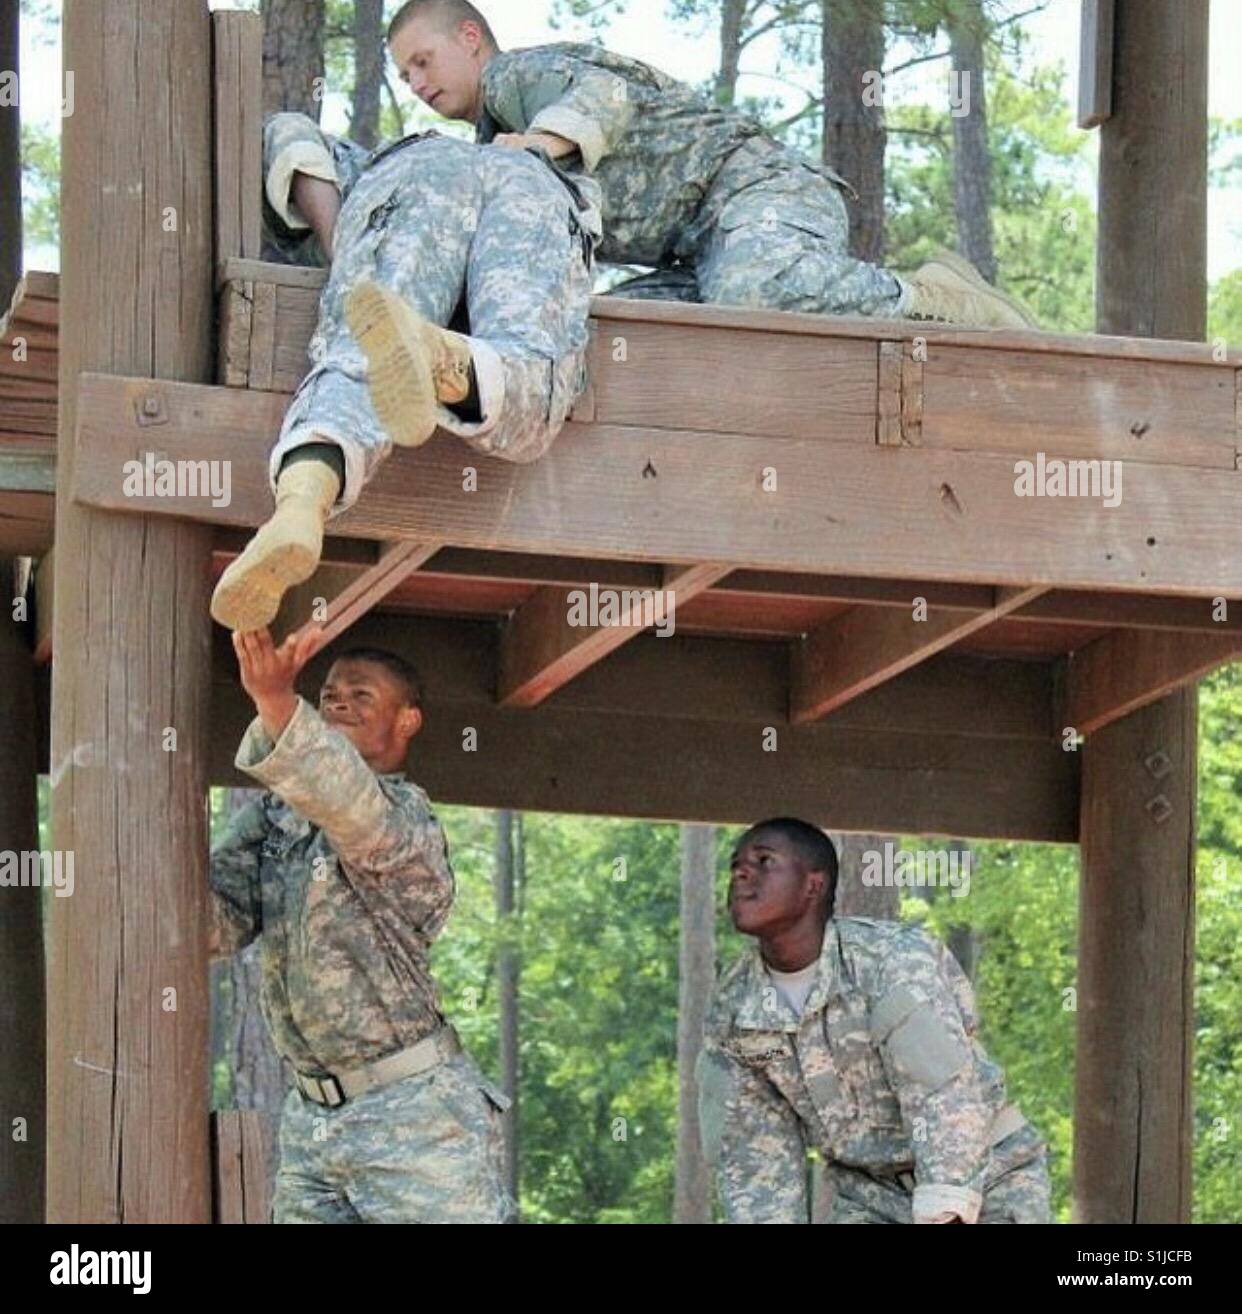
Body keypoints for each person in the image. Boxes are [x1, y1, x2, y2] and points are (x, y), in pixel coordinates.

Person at [387, 0, 1038, 325]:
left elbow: (603, 97)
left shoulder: (512, 79)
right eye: (404, 74)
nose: (416, 83)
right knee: (623, 327)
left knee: (750, 291)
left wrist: (536, 146)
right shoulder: (494, 141)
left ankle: (928, 296)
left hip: (758, 189)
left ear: (469, 39)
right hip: (698, 251)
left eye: (423, 60)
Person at [209, 108, 600, 633]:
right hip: (535, 185)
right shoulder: (540, 154)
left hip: (417, 169)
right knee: (530, 372)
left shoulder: (368, 159)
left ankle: (302, 504)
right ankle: (444, 360)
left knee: (355, 358)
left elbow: (290, 136)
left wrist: (343, 248)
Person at [209, 626, 514, 1223]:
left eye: (362, 695)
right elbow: (214, 922)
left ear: (407, 722)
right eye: (327, 695)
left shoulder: (406, 819)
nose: (338, 702)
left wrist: (276, 704)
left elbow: (351, 807)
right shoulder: (278, 821)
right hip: (312, 1117)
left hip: (413, 1115)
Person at [698, 817, 1052, 1224]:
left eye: (764, 860)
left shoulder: (890, 961)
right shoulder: (734, 1008)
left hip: (987, 1177)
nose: (741, 872)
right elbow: (751, 1148)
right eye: (736, 863)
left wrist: (946, 1210)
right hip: (869, 1197)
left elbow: (944, 1094)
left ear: (814, 884)